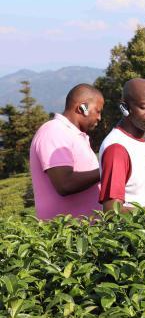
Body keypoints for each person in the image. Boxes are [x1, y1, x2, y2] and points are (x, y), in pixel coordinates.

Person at [29, 84, 104, 220]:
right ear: (83, 108)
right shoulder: (54, 132)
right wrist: (105, 171)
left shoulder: (72, 134)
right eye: (97, 111)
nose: (99, 117)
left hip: (84, 232)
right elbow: (65, 184)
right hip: (68, 236)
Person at [98, 78, 145, 211]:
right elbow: (112, 210)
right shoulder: (117, 149)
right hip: (132, 231)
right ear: (125, 108)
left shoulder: (143, 136)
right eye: (143, 107)